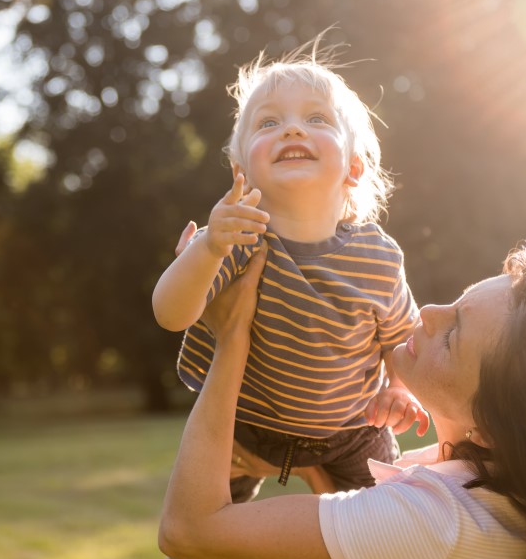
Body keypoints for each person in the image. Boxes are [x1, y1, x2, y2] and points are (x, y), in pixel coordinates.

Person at [159, 241, 526, 559]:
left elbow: (189, 533)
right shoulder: (513, 505)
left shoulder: (439, 520)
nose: (428, 311)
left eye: (453, 335)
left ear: (490, 428)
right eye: (457, 302)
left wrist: (233, 337)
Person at [152, 46, 426, 500]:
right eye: (268, 123)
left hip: (351, 433)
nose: (293, 128)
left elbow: (402, 338)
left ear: (353, 168)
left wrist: (397, 387)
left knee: (392, 522)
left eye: (317, 119)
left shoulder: (378, 258)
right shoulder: (233, 237)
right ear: (242, 171)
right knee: (198, 536)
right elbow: (170, 313)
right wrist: (205, 249)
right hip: (242, 425)